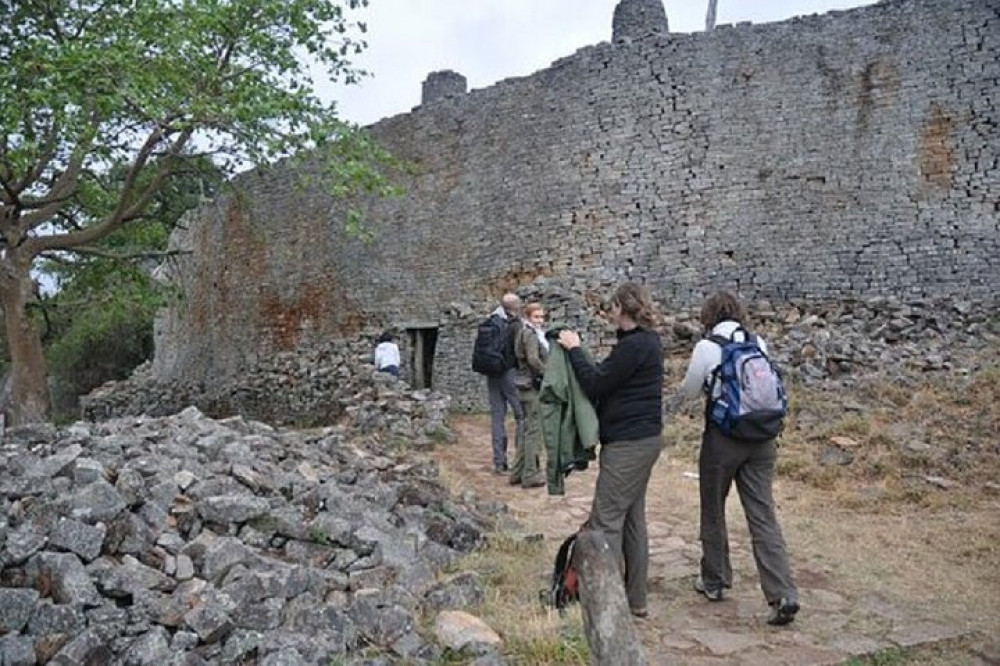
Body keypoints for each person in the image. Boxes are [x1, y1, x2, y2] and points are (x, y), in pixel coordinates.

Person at [675, 291, 799, 626]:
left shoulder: (707, 347)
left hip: (723, 438)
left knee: (713, 508)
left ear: (708, 315)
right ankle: (782, 593)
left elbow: (689, 390)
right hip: (762, 438)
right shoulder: (758, 343)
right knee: (762, 515)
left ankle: (715, 581)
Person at [556, 282, 663, 619]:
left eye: (612, 306)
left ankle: (608, 603)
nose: (609, 312)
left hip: (629, 444)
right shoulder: (644, 343)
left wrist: (574, 350)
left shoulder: (634, 346)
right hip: (643, 439)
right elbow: (608, 378)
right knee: (632, 519)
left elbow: (598, 383)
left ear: (622, 307)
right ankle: (636, 599)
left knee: (606, 522)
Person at [511, 302, 548, 489]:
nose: (540, 321)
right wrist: (548, 374)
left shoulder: (526, 333)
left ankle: (517, 472)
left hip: (524, 386)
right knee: (535, 432)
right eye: (536, 317)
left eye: (542, 317)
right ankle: (531, 474)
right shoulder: (530, 335)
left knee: (528, 431)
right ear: (528, 317)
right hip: (532, 387)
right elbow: (533, 359)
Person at [486, 293, 524, 475]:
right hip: (509, 372)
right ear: (515, 307)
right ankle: (521, 461)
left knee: (497, 417)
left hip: (492, 372)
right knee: (521, 415)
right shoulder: (513, 324)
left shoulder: (491, 321)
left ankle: (499, 463)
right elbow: (519, 350)